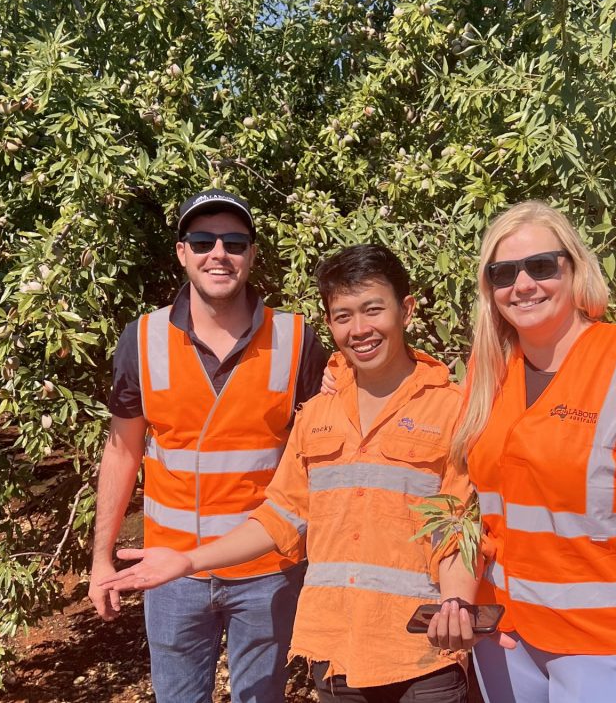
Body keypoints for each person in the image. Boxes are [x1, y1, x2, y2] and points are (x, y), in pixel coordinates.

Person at [99, 243, 474, 703]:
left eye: (373, 310)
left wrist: (458, 600)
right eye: (343, 316)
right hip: (336, 651)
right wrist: (188, 560)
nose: (360, 330)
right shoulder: (318, 413)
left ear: (407, 310)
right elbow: (281, 515)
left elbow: (461, 528)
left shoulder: (455, 411)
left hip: (422, 653)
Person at [427, 200, 616, 703]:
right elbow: (472, 504)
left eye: (541, 266)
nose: (523, 285)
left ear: (575, 268)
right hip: (507, 632)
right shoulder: (489, 370)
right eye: (503, 273)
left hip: (602, 643)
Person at [88, 188, 327, 703]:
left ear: (252, 254)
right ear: (181, 252)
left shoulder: (297, 341)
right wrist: (101, 559)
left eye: (234, 242)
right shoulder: (142, 338)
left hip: (268, 570)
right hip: (171, 572)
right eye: (202, 241)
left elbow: (322, 456)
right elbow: (121, 452)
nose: (218, 253)